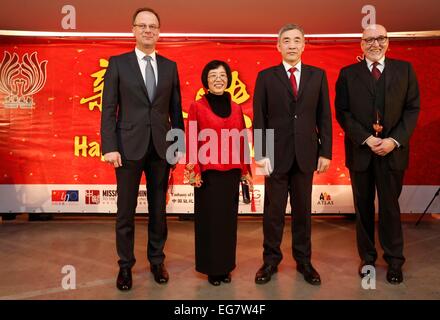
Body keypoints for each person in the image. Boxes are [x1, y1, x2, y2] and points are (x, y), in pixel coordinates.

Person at [101, 7, 184, 291]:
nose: (148, 30)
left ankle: (156, 260)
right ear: (133, 30)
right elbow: (109, 108)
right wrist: (110, 146)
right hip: (126, 148)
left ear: (159, 32)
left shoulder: (170, 66)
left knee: (159, 210)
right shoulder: (118, 63)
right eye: (143, 26)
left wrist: (178, 145)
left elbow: (176, 111)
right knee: (125, 210)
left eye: (153, 26)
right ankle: (125, 266)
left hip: (161, 148)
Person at [335, 24, 420, 284]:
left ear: (388, 42)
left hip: (392, 153)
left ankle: (394, 260)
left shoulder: (404, 70)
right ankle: (368, 257)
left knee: (390, 208)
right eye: (369, 39)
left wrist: (393, 141)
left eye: (380, 38)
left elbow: (412, 109)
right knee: (362, 207)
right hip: (362, 152)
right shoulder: (348, 74)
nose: (375, 43)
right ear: (361, 45)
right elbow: (343, 112)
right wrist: (367, 138)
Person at [252, 24, 332, 286]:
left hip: (306, 154)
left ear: (304, 45)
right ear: (278, 46)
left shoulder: (317, 76)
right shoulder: (266, 76)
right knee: (273, 212)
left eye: (297, 40)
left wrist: (326, 152)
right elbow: (259, 117)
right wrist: (261, 152)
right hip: (274, 156)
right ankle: (270, 260)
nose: (292, 45)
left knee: (302, 212)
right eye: (286, 40)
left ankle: (304, 261)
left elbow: (324, 117)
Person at [184, 60, 252, 286]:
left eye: (222, 75)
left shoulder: (236, 107)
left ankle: (225, 267)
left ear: (228, 80)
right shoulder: (197, 106)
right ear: (206, 81)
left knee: (227, 223)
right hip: (208, 175)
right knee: (209, 223)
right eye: (213, 75)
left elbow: (243, 138)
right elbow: (191, 138)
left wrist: (245, 170)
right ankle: (212, 269)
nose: (218, 79)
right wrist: (195, 170)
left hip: (231, 174)